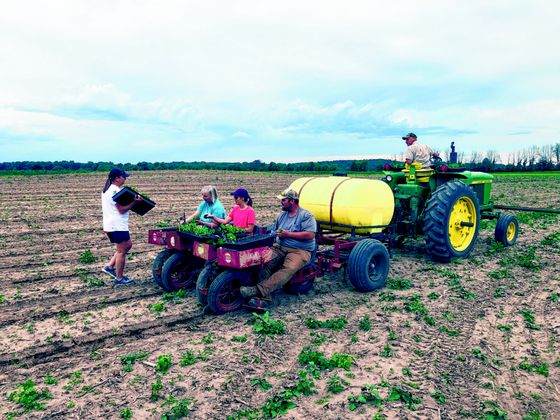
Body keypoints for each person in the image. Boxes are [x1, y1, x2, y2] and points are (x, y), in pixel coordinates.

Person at [240, 188, 316, 310]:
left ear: (292, 201)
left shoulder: (305, 215)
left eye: (284, 200)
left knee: (288, 269)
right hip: (280, 246)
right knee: (263, 261)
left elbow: (310, 235)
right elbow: (274, 230)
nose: (281, 202)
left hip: (300, 251)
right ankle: (265, 298)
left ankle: (258, 290)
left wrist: (288, 234)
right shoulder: (282, 215)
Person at [101, 168, 142, 285]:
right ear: (117, 178)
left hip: (112, 224)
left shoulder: (108, 189)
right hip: (117, 225)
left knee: (127, 245)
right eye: (124, 177)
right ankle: (119, 278)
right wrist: (135, 202)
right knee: (121, 252)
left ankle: (109, 266)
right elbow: (121, 209)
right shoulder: (115, 191)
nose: (125, 179)